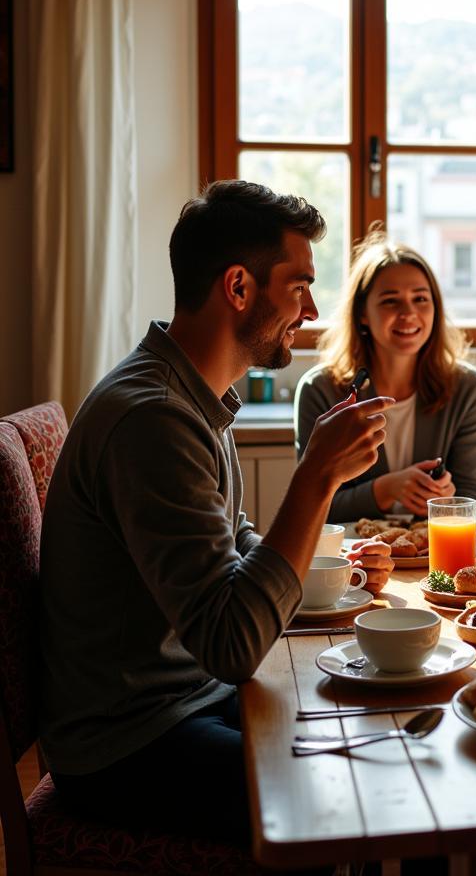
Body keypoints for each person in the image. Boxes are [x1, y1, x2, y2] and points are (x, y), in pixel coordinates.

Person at [38, 179, 396, 848]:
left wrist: (323, 571)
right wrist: (315, 477)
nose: (312, 310)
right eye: (299, 287)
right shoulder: (154, 419)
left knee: (383, 728)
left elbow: (233, 548)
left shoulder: (189, 393)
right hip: (129, 742)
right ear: (238, 288)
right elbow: (231, 646)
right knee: (367, 784)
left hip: (184, 699)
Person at [295, 230, 476, 520]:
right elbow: (312, 504)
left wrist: (448, 497)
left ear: (435, 308)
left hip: (432, 552)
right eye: (390, 301)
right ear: (362, 313)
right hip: (354, 556)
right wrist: (385, 490)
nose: (408, 313)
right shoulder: (320, 389)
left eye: (421, 299)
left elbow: (472, 497)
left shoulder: (468, 388)